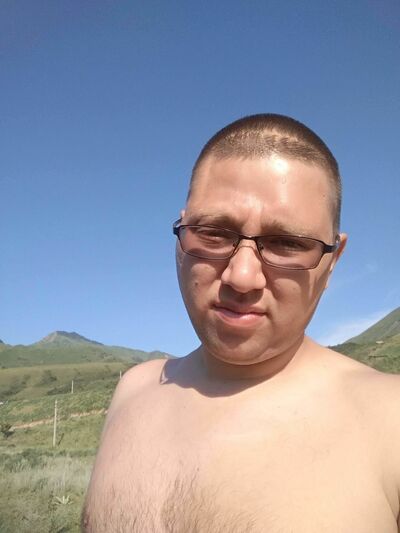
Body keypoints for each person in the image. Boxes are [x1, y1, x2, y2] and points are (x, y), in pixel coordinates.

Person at [82, 114, 400, 532]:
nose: (242, 277)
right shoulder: (131, 391)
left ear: (333, 261)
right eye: (214, 233)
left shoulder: (390, 419)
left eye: (287, 243)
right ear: (181, 236)